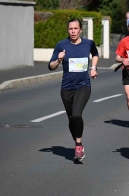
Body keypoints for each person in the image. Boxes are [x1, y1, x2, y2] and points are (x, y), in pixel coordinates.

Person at [48, 18, 99, 161]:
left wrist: (93, 68)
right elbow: (51, 66)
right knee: (71, 119)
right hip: (66, 88)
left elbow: (95, 54)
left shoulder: (88, 43)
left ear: (80, 30)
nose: (73, 31)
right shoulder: (61, 45)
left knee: (76, 114)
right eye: (70, 29)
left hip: (83, 86)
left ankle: (78, 145)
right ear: (67, 30)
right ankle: (79, 144)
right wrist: (58, 59)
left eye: (76, 28)